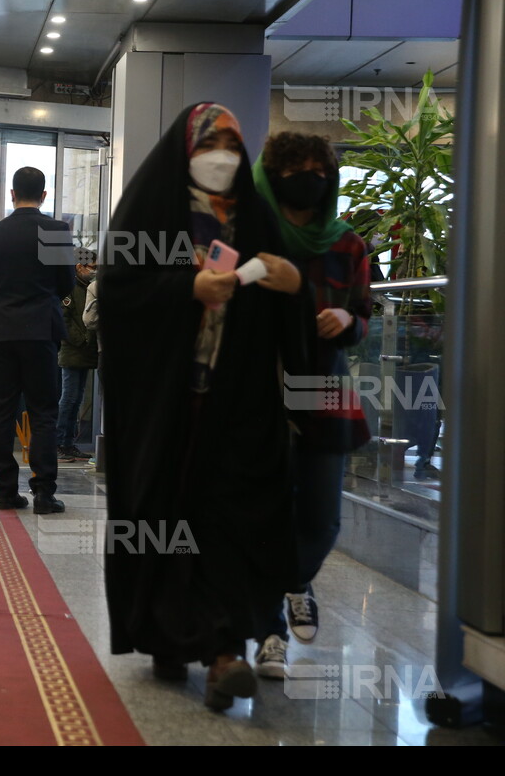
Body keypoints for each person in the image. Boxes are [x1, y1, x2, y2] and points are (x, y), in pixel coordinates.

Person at [99, 102, 310, 712]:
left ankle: (223, 654)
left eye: (231, 147)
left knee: (226, 520)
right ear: (185, 151)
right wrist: (185, 286)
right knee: (163, 520)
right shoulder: (153, 210)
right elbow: (118, 289)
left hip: (237, 403)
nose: (222, 159)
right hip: (166, 402)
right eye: (209, 146)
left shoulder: (256, 217)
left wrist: (293, 285)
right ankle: (168, 636)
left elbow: (292, 290)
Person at [250, 132, 372, 679]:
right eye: (295, 167)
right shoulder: (250, 232)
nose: (308, 176)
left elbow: (364, 313)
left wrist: (349, 321)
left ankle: (295, 583)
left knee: (322, 520)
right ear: (273, 174)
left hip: (324, 384)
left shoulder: (347, 244)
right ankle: (269, 632)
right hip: (258, 386)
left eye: (318, 168)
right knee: (263, 513)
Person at [0, 166, 74, 514]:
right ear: (44, 195)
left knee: (2, 408)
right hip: (41, 332)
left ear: (12, 195)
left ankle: (5, 491)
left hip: (1, 331)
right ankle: (44, 494)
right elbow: (65, 284)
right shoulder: (55, 230)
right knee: (43, 411)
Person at [57, 247, 98, 462]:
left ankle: (69, 443)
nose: (95, 272)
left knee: (78, 399)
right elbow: (64, 320)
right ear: (79, 267)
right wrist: (82, 340)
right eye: (93, 267)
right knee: (69, 398)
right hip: (72, 351)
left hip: (86, 353)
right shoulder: (69, 288)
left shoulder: (88, 287)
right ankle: (61, 443)